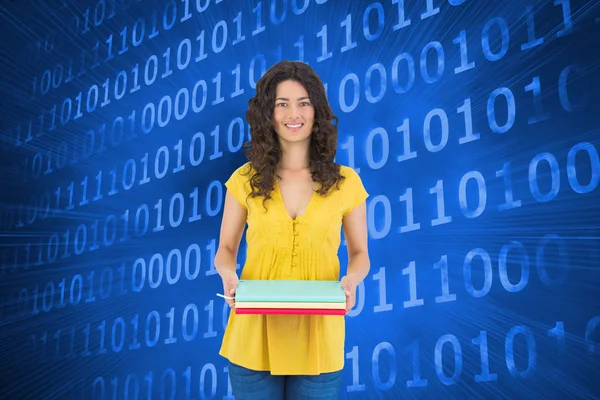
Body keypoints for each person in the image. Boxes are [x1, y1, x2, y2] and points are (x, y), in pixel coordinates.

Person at [214, 60, 370, 400]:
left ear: (317, 111)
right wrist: (228, 272)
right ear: (268, 113)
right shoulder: (243, 179)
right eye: (282, 104)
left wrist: (352, 280)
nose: (293, 113)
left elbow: (360, 254)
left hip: (320, 340)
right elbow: (226, 248)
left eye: (303, 102)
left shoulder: (347, 183)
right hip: (253, 337)